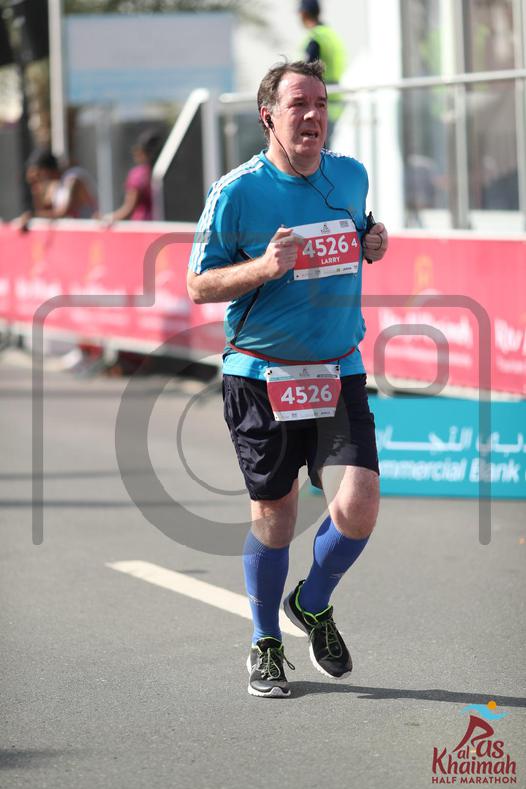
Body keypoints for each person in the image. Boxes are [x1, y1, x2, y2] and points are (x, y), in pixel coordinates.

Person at [187, 60, 388, 698]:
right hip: (261, 376)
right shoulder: (236, 192)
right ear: (268, 116)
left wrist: (372, 243)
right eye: (299, 104)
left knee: (358, 503)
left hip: (338, 369)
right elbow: (198, 285)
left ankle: (312, 601)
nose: (313, 115)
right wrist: (262, 267)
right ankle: (265, 641)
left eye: (321, 103)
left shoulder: (350, 176)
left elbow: (355, 235)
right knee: (276, 516)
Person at [298, 0, 347, 139]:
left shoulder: (316, 38)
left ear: (303, 14)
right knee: (325, 146)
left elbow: (307, 72)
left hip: (319, 102)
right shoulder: (331, 35)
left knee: (317, 147)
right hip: (335, 100)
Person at [103, 129, 162, 224]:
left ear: (141, 151)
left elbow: (129, 208)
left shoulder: (138, 175)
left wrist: (108, 218)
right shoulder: (166, 172)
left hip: (143, 227)